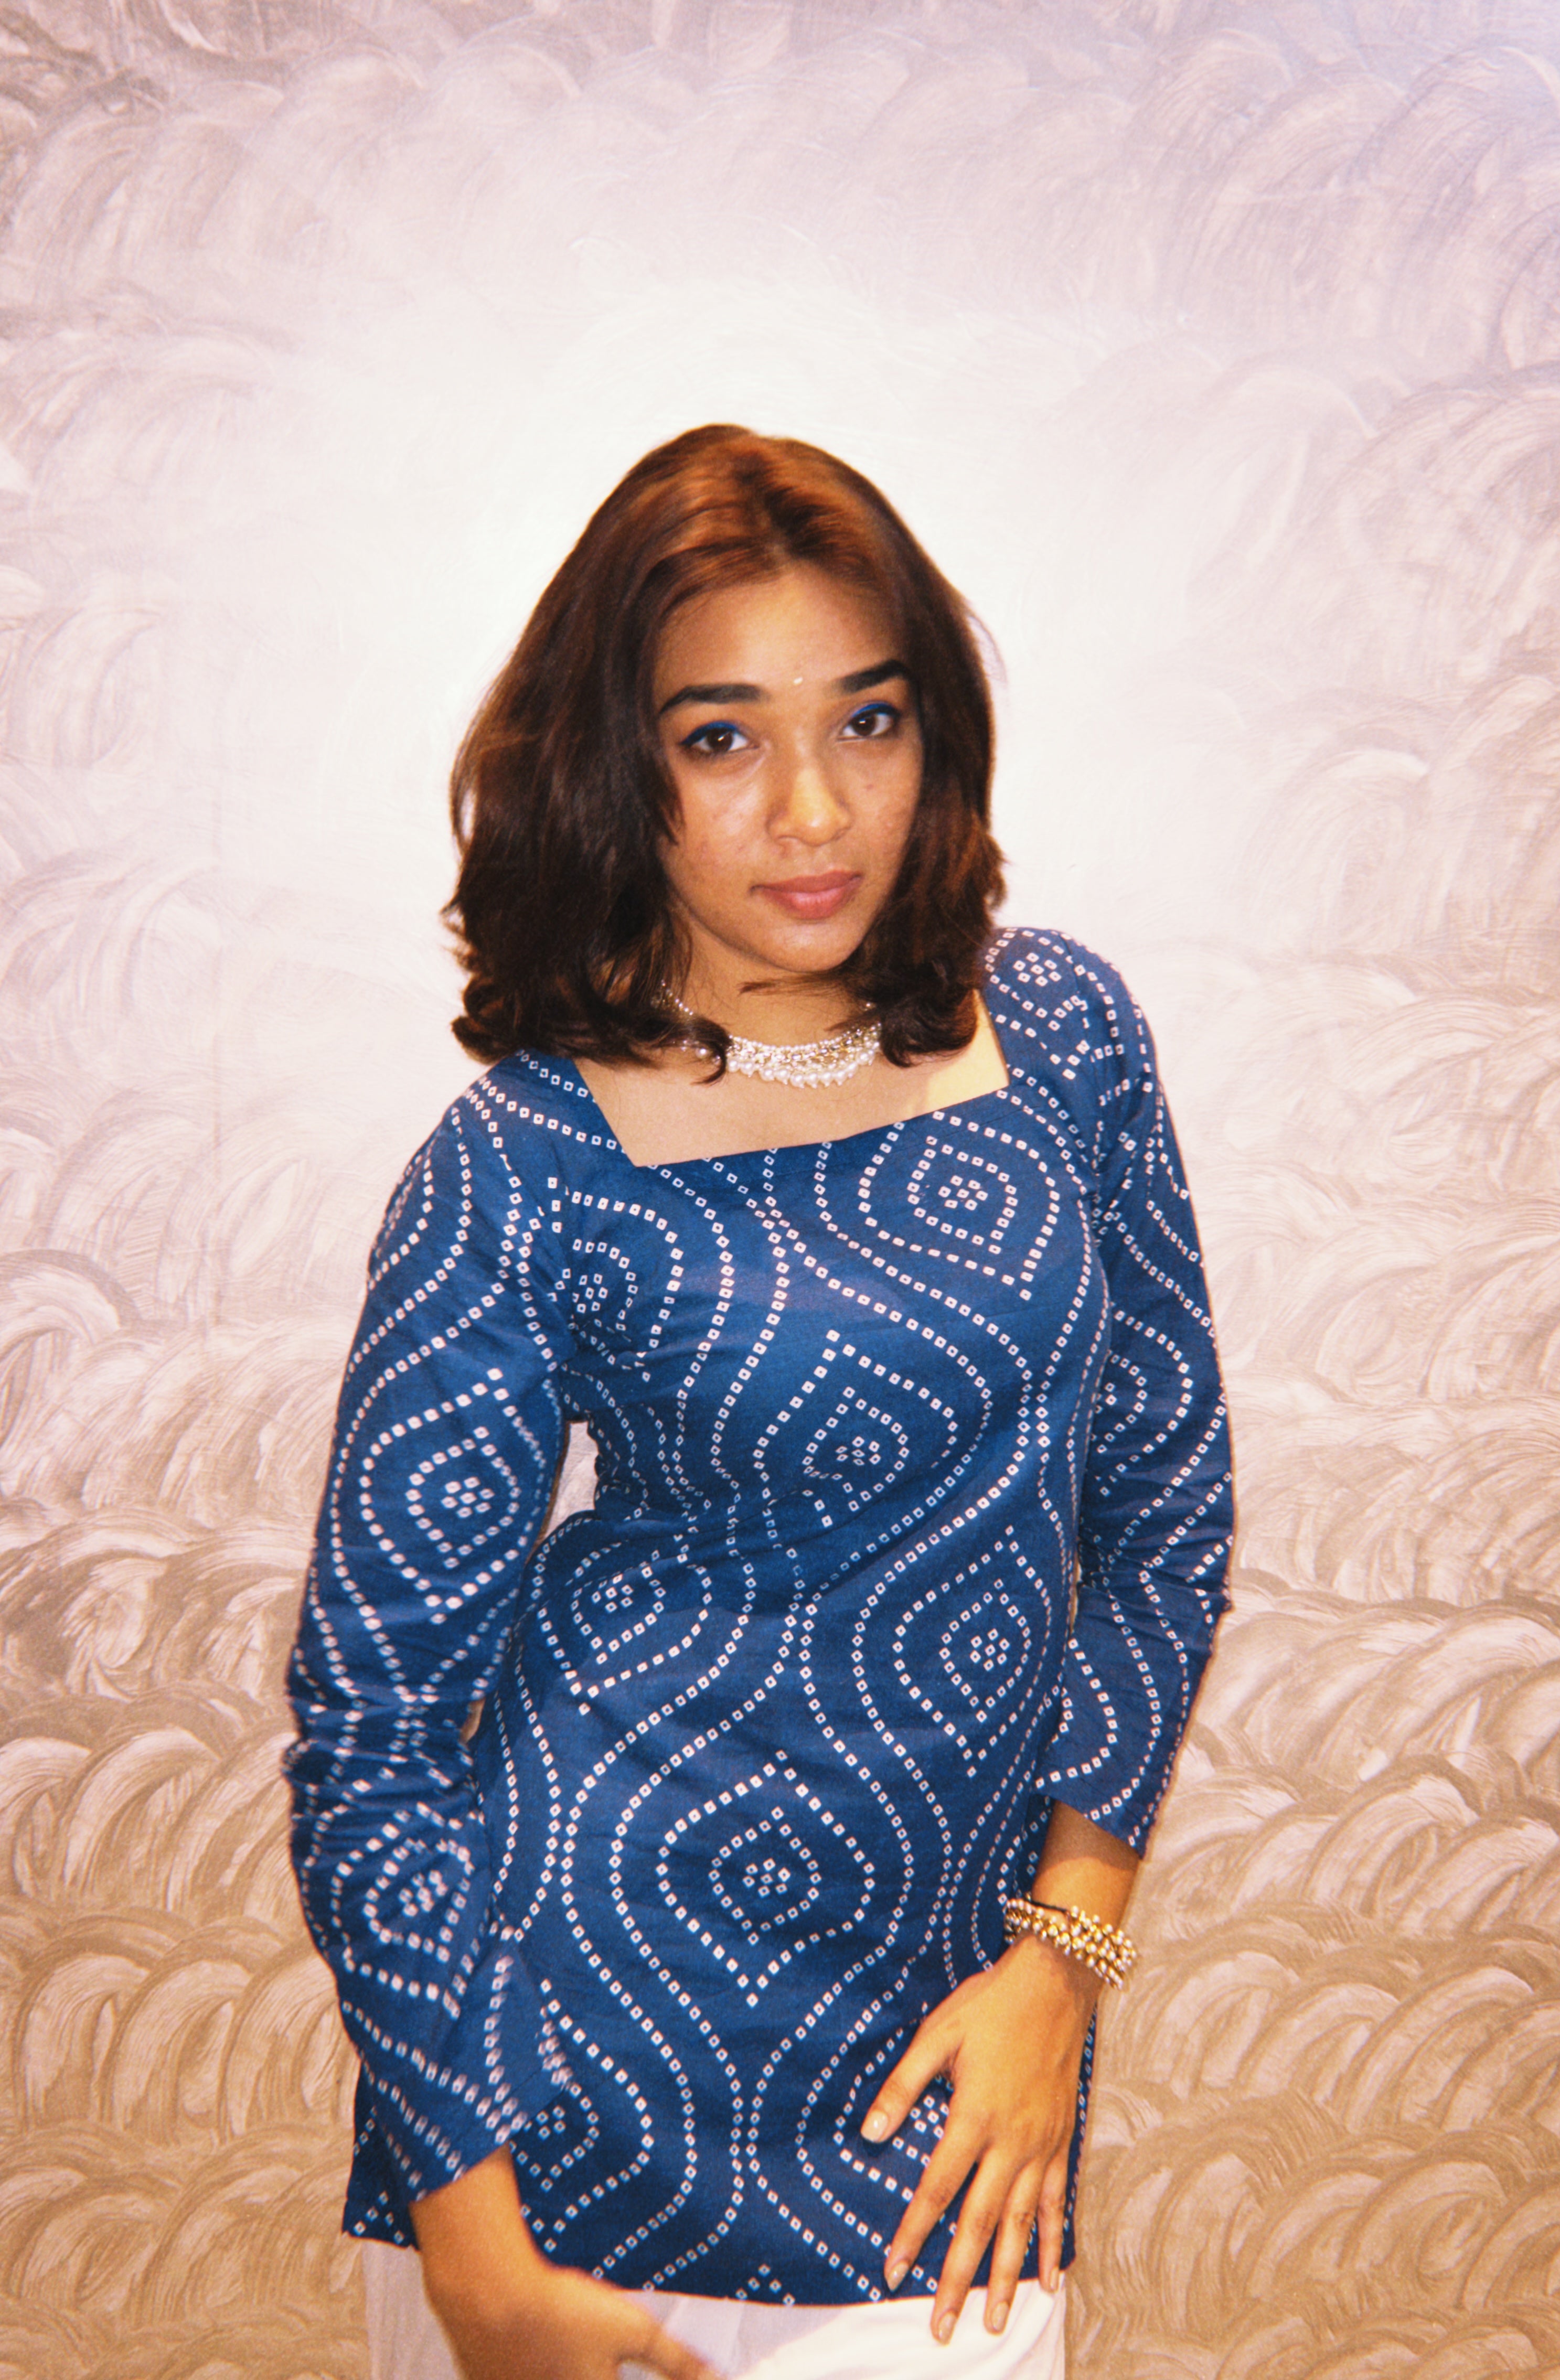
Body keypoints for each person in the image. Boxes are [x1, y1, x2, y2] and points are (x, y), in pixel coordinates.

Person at [284, 425, 1233, 2380]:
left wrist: (1067, 1955)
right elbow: (371, 1723)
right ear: (614, 767)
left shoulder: (1057, 1034)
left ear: (933, 730)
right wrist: (476, 2255)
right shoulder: (527, 1160)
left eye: (865, 719)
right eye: (721, 739)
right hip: (564, 2131)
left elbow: (1164, 1512)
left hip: (948, 2113)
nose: (813, 808)